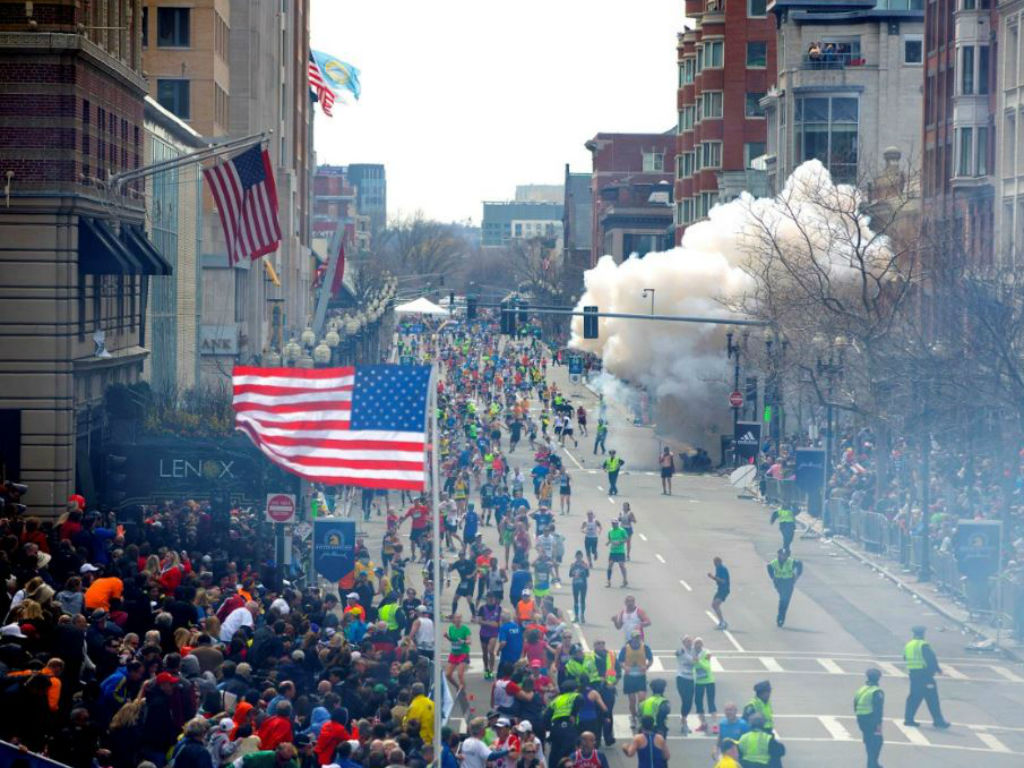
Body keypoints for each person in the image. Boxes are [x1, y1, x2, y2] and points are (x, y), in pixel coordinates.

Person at [903, 625, 950, 728]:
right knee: (932, 698)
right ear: (923, 634)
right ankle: (938, 721)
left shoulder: (909, 645)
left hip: (914, 675)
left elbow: (905, 658)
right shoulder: (923, 645)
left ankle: (908, 719)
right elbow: (931, 659)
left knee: (914, 697)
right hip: (925, 675)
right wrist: (938, 670)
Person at [617, 630, 653, 730]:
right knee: (632, 700)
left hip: (641, 676)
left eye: (638, 637)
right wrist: (625, 667)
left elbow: (650, 659)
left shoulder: (645, 647)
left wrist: (646, 666)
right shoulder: (625, 648)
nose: (637, 639)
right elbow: (620, 661)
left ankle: (640, 716)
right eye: (635, 637)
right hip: (630, 677)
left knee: (642, 699)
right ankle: (633, 717)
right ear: (631, 638)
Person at [544, 678, 583, 768]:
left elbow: (546, 717)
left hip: (556, 727)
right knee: (570, 753)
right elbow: (580, 699)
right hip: (569, 727)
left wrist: (550, 730)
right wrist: (573, 714)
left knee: (555, 752)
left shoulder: (556, 700)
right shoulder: (574, 695)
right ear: (574, 689)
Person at [854, 667, 885, 768]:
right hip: (871, 720)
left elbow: (855, 704)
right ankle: (872, 763)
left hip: (861, 719)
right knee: (877, 742)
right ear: (878, 678)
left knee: (868, 741)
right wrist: (878, 725)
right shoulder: (877, 691)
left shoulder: (861, 689)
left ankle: (872, 763)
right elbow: (878, 710)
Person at [766, 549, 802, 627]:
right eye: (781, 555)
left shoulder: (791, 561)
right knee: (783, 599)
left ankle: (781, 617)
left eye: (784, 555)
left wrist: (797, 576)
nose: (783, 556)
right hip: (779, 582)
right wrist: (773, 577)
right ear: (778, 554)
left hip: (788, 582)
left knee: (785, 600)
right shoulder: (774, 562)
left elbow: (799, 564)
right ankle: (780, 617)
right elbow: (769, 567)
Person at [692, 637, 718, 735]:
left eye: (699, 643)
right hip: (699, 682)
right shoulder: (692, 653)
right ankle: (703, 723)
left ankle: (715, 725)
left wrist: (698, 661)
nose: (698, 645)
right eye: (696, 643)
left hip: (709, 681)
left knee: (711, 702)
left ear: (702, 644)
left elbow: (707, 666)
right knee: (698, 703)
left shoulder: (707, 653)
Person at [675, 635, 696, 735]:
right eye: (686, 641)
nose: (689, 642)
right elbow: (677, 653)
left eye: (690, 640)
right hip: (681, 678)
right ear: (683, 643)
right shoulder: (681, 650)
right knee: (685, 699)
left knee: (689, 702)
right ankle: (684, 722)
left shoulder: (694, 650)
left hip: (691, 679)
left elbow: (702, 655)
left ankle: (684, 718)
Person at [445, 613, 471, 692]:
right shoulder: (451, 628)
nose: (458, 620)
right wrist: (447, 637)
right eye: (457, 618)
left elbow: (469, 641)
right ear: (454, 619)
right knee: (448, 675)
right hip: (454, 653)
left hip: (463, 653)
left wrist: (463, 641)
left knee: (460, 674)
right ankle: (457, 687)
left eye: (460, 618)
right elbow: (452, 640)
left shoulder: (465, 629)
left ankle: (462, 691)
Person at [708, 556, 731, 630]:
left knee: (715, 604)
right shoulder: (718, 568)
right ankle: (721, 621)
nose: (714, 564)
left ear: (718, 562)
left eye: (715, 562)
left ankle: (722, 622)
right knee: (714, 605)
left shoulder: (721, 568)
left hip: (723, 589)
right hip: (720, 589)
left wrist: (713, 577)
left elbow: (723, 581)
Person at [605, 519, 629, 588]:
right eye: (612, 523)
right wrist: (608, 542)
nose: (614, 524)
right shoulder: (610, 531)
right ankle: (608, 581)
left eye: (615, 523)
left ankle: (625, 580)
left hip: (620, 551)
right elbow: (610, 539)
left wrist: (620, 542)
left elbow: (626, 538)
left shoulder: (622, 530)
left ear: (617, 523)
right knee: (610, 565)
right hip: (613, 551)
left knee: (621, 565)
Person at [569, 551, 590, 624]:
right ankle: (576, 616)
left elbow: (587, 575)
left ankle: (582, 615)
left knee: (582, 600)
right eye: (577, 556)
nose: (578, 558)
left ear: (582, 556)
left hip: (583, 584)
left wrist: (586, 569)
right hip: (575, 584)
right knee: (576, 601)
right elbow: (570, 575)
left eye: (580, 556)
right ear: (576, 557)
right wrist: (573, 572)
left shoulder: (584, 564)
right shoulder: (573, 565)